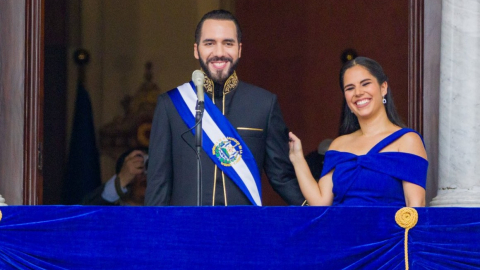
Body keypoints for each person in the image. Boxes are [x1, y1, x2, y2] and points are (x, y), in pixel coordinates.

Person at [145, 10, 304, 206]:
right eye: (209, 43)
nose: (219, 52)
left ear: (239, 49)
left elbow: (282, 178)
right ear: (196, 50)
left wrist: (321, 215)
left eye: (228, 43)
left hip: (243, 232)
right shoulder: (170, 105)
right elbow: (158, 184)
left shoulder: (264, 104)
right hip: (186, 233)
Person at [289, 56, 428, 207]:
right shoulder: (339, 144)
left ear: (383, 88)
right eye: (350, 88)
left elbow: (415, 206)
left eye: (365, 84)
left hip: (387, 230)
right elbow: (321, 203)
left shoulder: (407, 140)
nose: (358, 92)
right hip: (340, 229)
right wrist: (297, 159)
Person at [83, 148, 148, 206]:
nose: (145, 175)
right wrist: (119, 182)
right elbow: (82, 215)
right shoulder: (109, 213)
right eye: (139, 167)